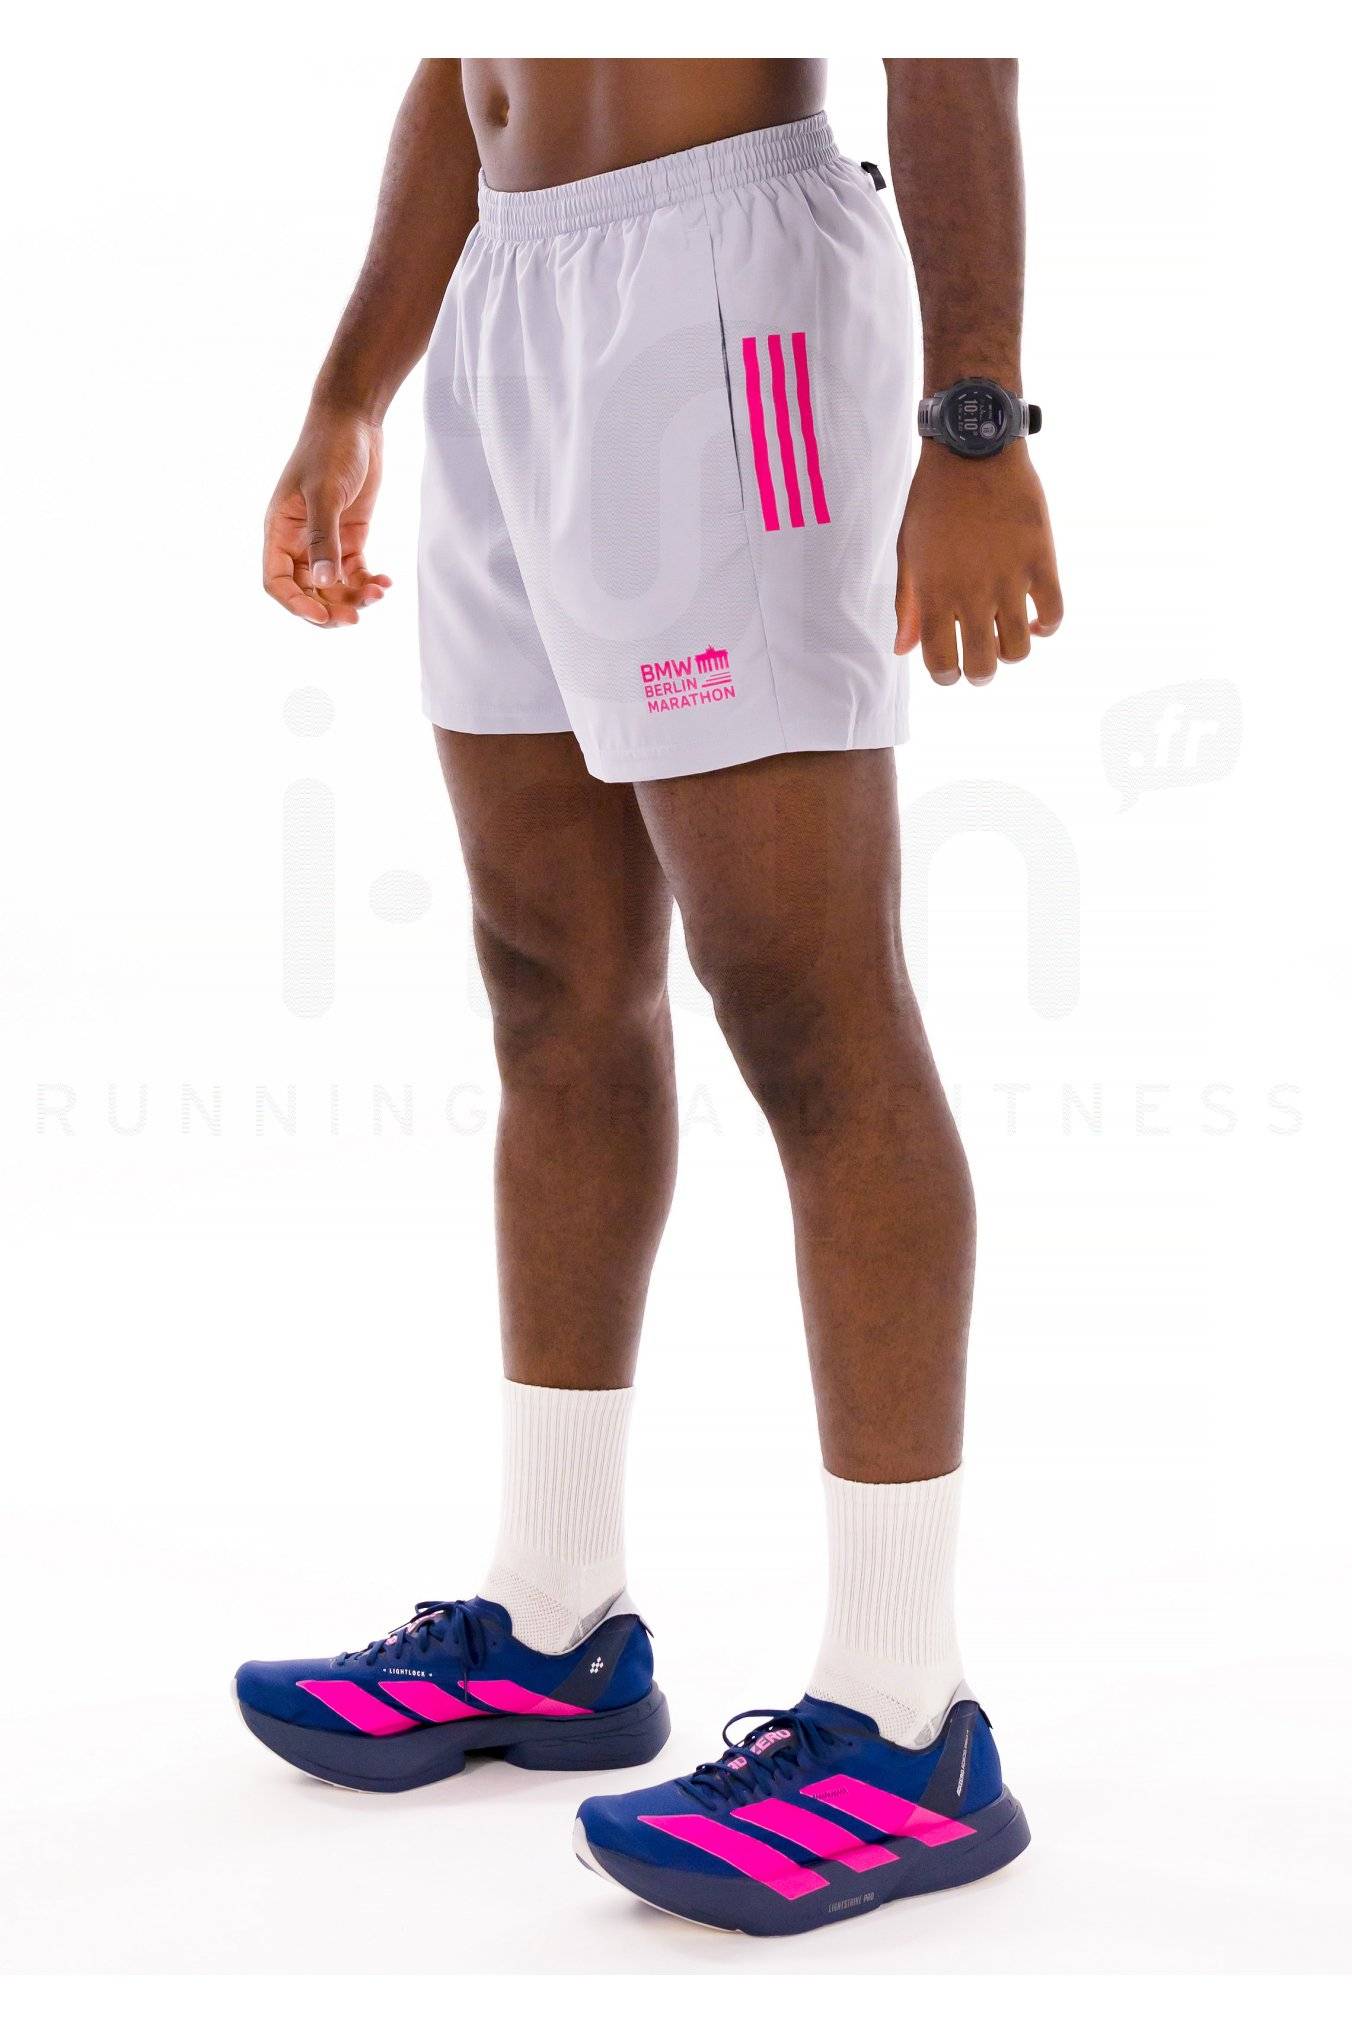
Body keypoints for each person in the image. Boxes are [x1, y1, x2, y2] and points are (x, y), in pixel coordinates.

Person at [238, 57, 1062, 1937]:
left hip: (727, 293)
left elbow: (957, 47)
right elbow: (463, 66)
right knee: (549, 985)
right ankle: (554, 1616)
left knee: (806, 1007)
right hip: (505, 305)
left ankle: (907, 1712)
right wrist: (353, 388)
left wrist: (974, 424)